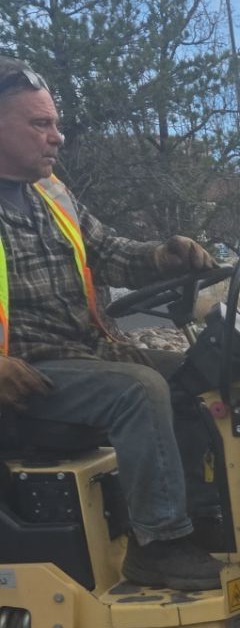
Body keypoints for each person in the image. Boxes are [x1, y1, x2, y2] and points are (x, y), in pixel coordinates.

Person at [0, 59, 220, 592]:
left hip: (83, 354)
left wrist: (166, 255)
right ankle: (158, 546)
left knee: (202, 370)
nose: (58, 136)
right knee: (139, 391)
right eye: (40, 124)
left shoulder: (51, 193)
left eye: (55, 123)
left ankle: (197, 525)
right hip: (29, 373)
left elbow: (110, 251)